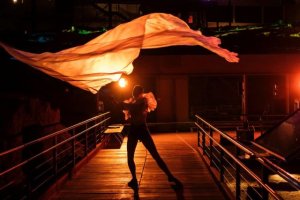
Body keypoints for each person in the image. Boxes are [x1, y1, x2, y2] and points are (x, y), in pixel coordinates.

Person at [121, 85, 181, 189]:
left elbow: (134, 108)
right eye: (133, 91)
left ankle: (170, 176)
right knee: (130, 156)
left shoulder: (143, 101)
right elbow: (128, 109)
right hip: (133, 129)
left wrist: (121, 104)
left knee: (155, 154)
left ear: (140, 92)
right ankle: (134, 179)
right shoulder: (133, 102)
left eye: (136, 91)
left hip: (142, 129)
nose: (134, 93)